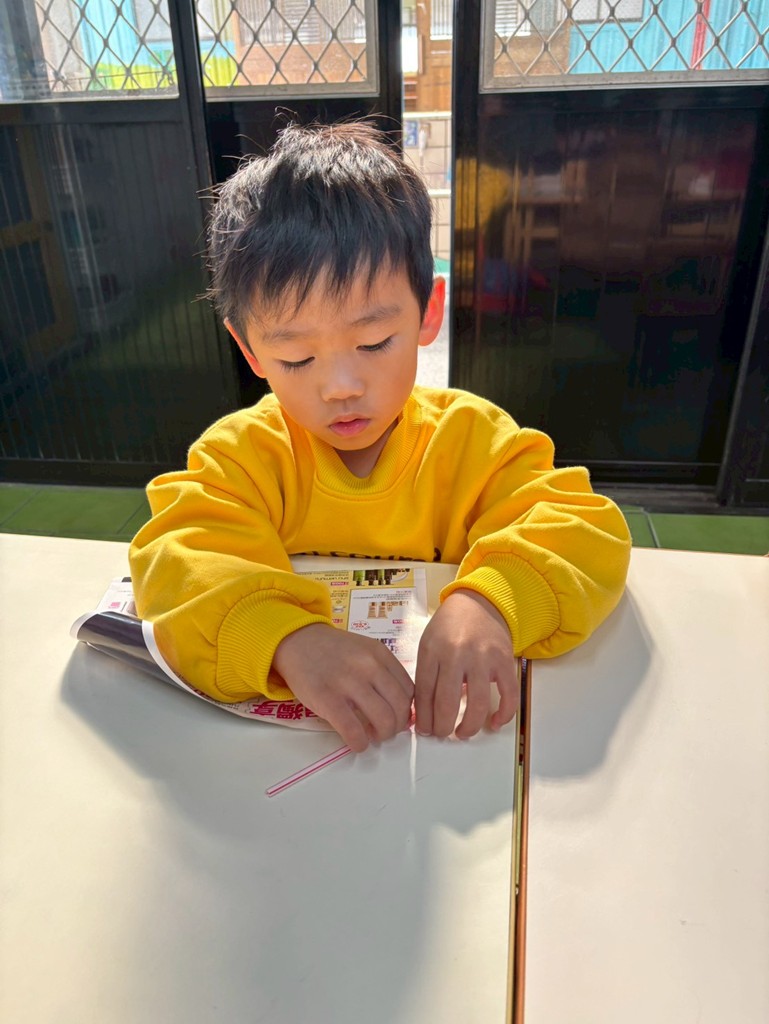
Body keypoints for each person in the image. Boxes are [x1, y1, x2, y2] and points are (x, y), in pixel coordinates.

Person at [129, 120, 631, 753]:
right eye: (296, 358)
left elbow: (583, 530)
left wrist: (492, 603)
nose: (340, 386)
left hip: (454, 754)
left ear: (428, 313)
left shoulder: (470, 440)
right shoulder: (241, 457)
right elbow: (177, 561)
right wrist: (287, 640)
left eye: (372, 343)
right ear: (249, 351)